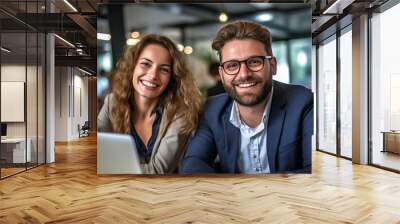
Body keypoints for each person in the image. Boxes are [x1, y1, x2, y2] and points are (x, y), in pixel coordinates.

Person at [181, 20, 313, 174]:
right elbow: (193, 162)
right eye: (232, 65)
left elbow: (314, 171)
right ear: (221, 74)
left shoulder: (303, 102)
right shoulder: (212, 110)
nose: (244, 74)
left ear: (273, 66)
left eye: (255, 62)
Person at [98, 34, 202, 174]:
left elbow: (158, 171)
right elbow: (94, 152)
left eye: (164, 69)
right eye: (146, 64)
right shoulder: (112, 103)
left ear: (172, 77)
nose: (153, 75)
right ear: (132, 66)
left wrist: (109, 167)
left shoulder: (179, 112)